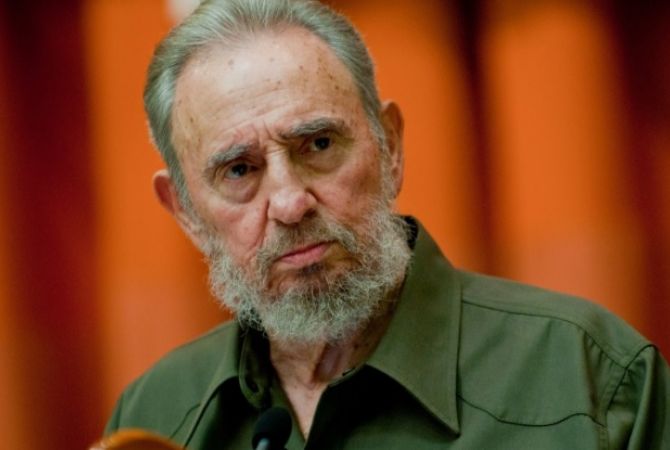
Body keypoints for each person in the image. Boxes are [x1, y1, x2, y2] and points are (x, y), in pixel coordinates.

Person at [104, 0, 670, 448]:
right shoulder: (153, 416)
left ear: (390, 146)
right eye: (239, 170)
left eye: (318, 144)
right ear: (185, 212)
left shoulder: (591, 378)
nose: (290, 203)